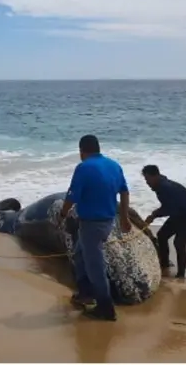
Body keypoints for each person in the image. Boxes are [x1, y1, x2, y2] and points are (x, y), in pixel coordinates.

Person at [57, 135, 131, 321]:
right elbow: (124, 191)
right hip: (108, 221)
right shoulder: (114, 165)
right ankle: (85, 293)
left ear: (82, 151)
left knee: (95, 266)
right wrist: (125, 217)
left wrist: (63, 214)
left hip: (91, 224)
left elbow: (71, 196)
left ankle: (106, 308)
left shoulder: (83, 168)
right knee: (79, 254)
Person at [142, 165, 186, 279]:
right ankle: (165, 263)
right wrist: (155, 214)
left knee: (179, 242)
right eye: (145, 180)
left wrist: (154, 215)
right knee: (162, 235)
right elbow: (170, 207)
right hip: (180, 213)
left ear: (155, 176)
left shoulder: (165, 187)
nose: (147, 182)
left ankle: (181, 275)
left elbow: (170, 208)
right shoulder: (160, 185)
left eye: (147, 179)